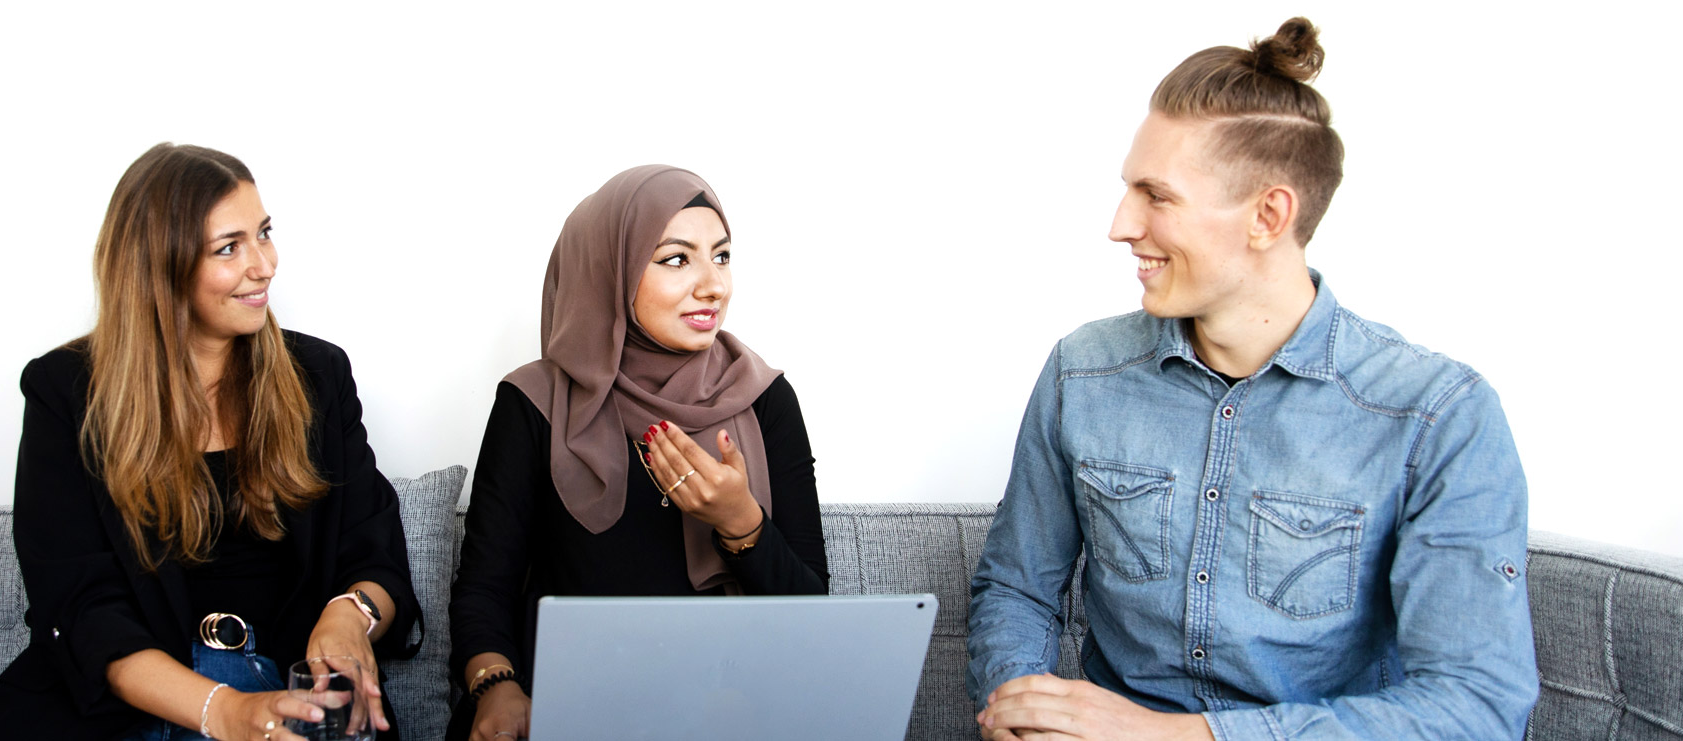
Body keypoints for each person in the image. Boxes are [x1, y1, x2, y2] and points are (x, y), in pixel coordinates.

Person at [967, 18, 1537, 740]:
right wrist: (1022, 706)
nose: (1120, 224)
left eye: (1157, 195)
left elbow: (1476, 706)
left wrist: (1180, 736)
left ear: (1269, 215)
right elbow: (1015, 588)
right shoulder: (1082, 372)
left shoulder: (1438, 415)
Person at [0, 143, 421, 740]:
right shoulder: (66, 392)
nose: (264, 264)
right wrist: (226, 712)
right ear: (161, 267)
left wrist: (349, 615)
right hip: (128, 702)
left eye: (264, 233)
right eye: (229, 247)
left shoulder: (319, 376)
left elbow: (376, 557)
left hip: (286, 691)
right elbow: (84, 613)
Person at [447, 165, 830, 740]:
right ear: (611, 271)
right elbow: (485, 587)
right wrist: (494, 686)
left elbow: (814, 623)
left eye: (721, 256)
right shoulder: (534, 402)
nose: (713, 286)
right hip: (573, 708)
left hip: (724, 710)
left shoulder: (763, 398)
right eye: (677, 259)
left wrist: (740, 522)